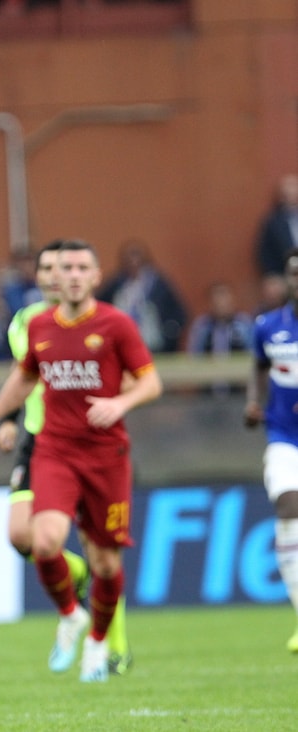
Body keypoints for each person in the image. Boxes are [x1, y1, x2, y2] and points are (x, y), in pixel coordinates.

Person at [0, 239, 163, 683]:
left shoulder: (116, 324)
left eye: (80, 268)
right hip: (53, 449)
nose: (71, 275)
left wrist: (119, 403)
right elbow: (24, 376)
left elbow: (150, 382)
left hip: (105, 455)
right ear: (52, 276)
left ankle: (101, 641)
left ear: (96, 276)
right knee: (43, 541)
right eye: (65, 268)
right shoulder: (37, 325)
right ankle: (72, 614)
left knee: (105, 563)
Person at [243, 247, 298, 652]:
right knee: (288, 505)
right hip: (284, 436)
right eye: (294, 273)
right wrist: (253, 401)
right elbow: (259, 365)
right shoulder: (267, 326)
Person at [97, 238, 188, 353]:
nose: (133, 262)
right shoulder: (115, 285)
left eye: (137, 256)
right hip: (121, 344)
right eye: (129, 258)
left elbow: (179, 313)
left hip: (154, 344)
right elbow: (99, 307)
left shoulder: (158, 284)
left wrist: (170, 333)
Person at [185, 281, 254, 356]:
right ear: (210, 303)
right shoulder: (202, 325)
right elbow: (194, 354)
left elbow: (252, 351)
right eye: (217, 300)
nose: (221, 304)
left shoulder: (244, 323)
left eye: (225, 299)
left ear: (232, 300)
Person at [255, 173, 298, 278]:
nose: (292, 197)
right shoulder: (273, 223)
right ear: (281, 197)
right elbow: (265, 254)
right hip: (287, 275)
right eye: (287, 195)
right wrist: (273, 275)